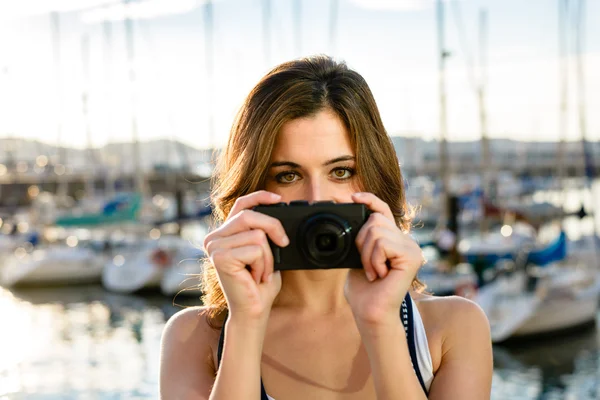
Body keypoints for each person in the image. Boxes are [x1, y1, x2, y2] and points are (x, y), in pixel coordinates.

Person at [159, 55, 493, 400]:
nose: (318, 199)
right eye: (288, 176)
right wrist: (246, 322)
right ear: (252, 189)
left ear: (375, 177)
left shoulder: (453, 327)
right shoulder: (195, 339)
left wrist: (381, 323)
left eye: (341, 171)